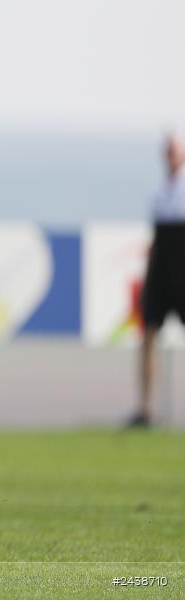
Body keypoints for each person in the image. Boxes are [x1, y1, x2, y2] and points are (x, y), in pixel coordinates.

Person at [134, 133, 185, 427]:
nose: (170, 156)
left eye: (174, 151)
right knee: (148, 335)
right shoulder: (158, 190)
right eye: (167, 151)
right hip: (161, 265)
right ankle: (145, 409)